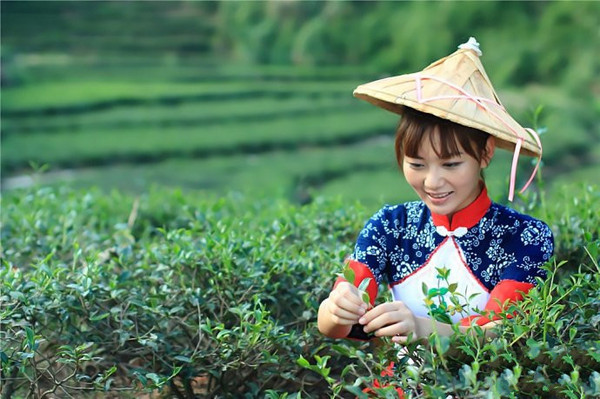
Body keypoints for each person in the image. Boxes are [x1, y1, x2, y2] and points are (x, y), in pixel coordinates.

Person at [317, 38, 554, 347]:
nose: (432, 182)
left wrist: (421, 328)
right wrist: (338, 308)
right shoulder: (391, 225)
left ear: (485, 153)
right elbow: (334, 325)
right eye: (416, 163)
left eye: (451, 164)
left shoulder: (526, 236)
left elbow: (504, 333)